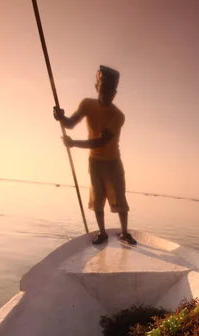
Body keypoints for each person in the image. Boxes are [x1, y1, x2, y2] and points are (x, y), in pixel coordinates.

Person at [53, 65, 136, 245]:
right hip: (95, 161)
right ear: (97, 86)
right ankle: (102, 232)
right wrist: (61, 117)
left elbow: (101, 141)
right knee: (97, 198)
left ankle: (124, 232)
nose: (107, 92)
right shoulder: (87, 104)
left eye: (111, 89)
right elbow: (70, 124)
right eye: (103, 86)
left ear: (115, 92)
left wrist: (74, 143)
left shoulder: (118, 115)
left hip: (113, 161)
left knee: (119, 198)